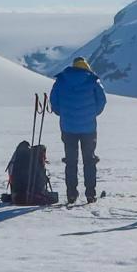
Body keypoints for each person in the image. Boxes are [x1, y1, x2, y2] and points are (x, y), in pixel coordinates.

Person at [48, 57, 108, 204]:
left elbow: (54, 101)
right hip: (88, 128)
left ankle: (71, 195)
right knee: (89, 161)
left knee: (71, 162)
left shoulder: (61, 81)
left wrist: (62, 113)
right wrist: (92, 113)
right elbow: (102, 100)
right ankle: (90, 194)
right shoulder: (93, 81)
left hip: (68, 128)